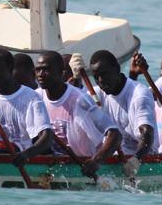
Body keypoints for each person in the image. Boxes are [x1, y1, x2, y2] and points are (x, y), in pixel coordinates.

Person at [34, 51, 121, 179]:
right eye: (38, 70)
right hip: (52, 162)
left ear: (61, 72)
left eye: (46, 70)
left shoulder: (80, 101)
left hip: (82, 165)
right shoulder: (36, 97)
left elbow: (114, 134)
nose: (40, 75)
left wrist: (96, 161)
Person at [0, 48, 54, 166]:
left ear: (10, 68)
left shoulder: (31, 97)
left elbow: (47, 137)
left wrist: (27, 155)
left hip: (18, 159)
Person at [88, 50, 158, 173]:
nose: (100, 81)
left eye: (104, 74)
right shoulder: (97, 94)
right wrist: (76, 80)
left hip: (143, 158)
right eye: (96, 77)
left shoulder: (140, 95)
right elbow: (75, 101)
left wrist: (135, 160)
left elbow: (147, 133)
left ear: (117, 69)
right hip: (113, 156)